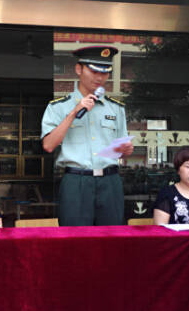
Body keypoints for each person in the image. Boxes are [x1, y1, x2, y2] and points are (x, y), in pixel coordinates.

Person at [41, 46, 134, 226]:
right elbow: (48, 145)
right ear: (79, 69)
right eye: (94, 71)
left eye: (105, 72)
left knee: (112, 236)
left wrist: (126, 150)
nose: (99, 77)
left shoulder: (116, 108)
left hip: (110, 181)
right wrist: (73, 113)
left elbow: (120, 149)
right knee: (74, 238)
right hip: (76, 181)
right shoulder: (58, 107)